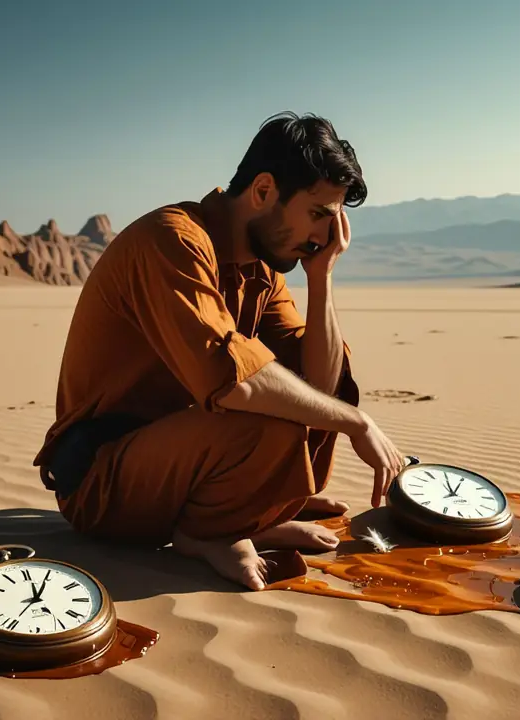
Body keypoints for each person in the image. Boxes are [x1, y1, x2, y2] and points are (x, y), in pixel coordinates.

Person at [32, 112, 407, 591]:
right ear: (264, 190)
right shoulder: (173, 240)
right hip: (101, 481)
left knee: (305, 399)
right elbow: (236, 382)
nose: (322, 236)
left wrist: (321, 277)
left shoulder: (263, 270)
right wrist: (357, 422)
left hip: (181, 460)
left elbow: (323, 384)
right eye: (317, 214)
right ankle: (209, 531)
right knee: (266, 410)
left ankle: (247, 515)